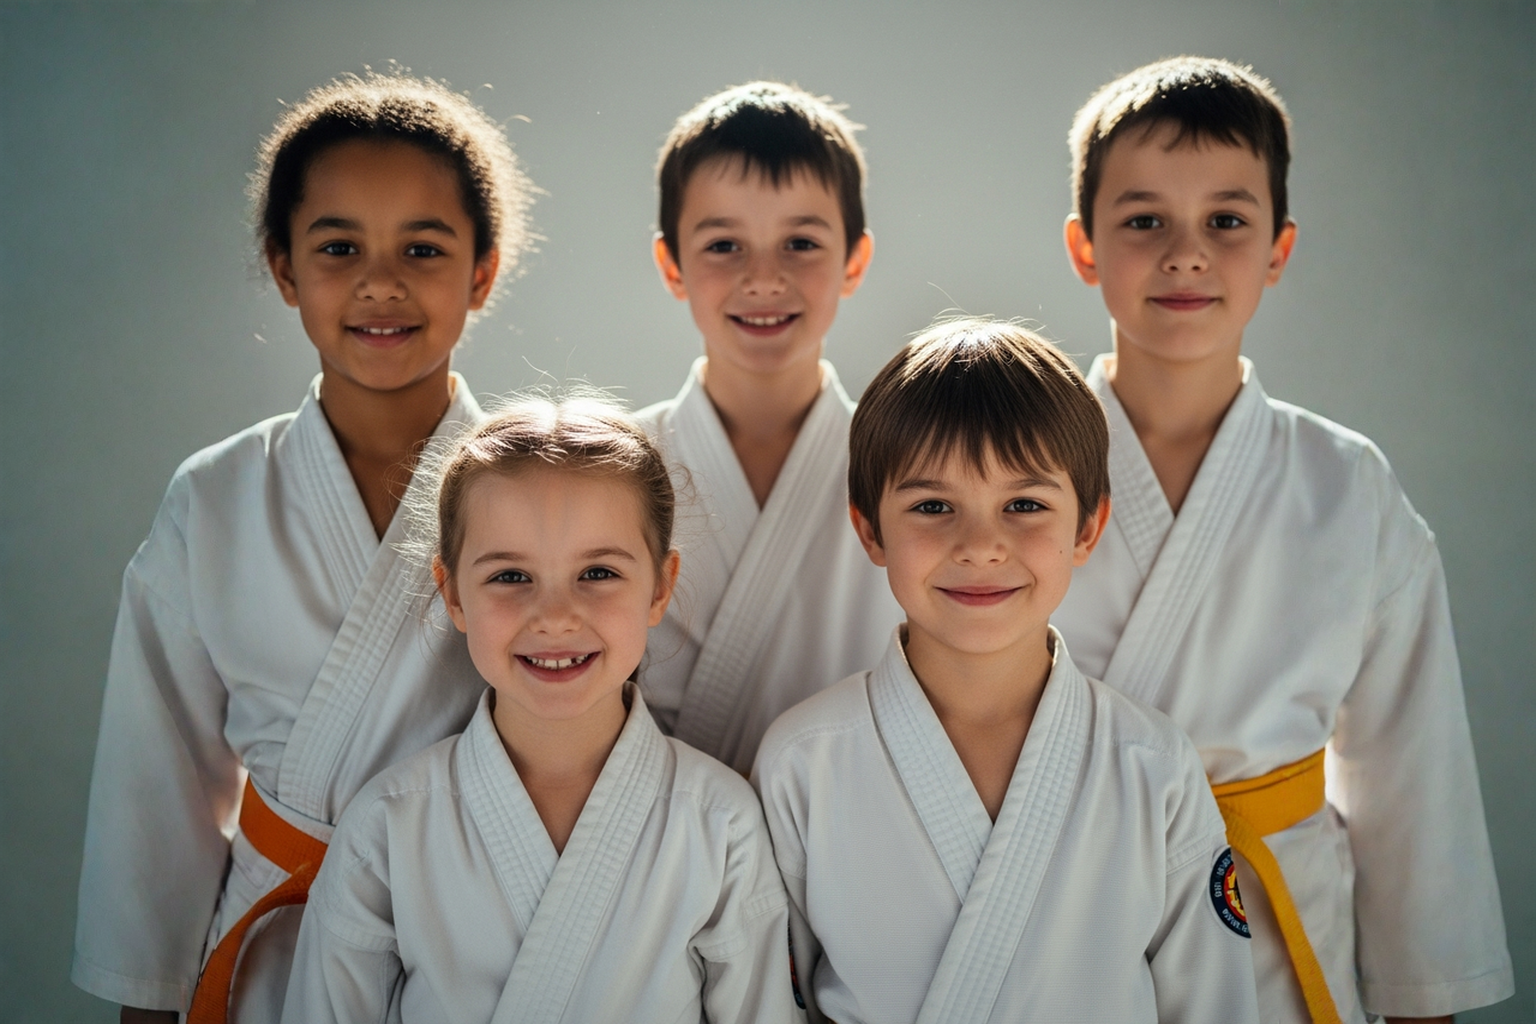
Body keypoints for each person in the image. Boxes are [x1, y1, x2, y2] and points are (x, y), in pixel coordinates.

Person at [1056, 56, 1512, 1023]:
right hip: (1061, 904)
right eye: (1144, 221)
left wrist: (1423, 1000)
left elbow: (1408, 771)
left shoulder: (1345, 485)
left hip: (1271, 927)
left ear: (1279, 248)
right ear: (1084, 246)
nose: (1186, 254)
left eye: (1227, 221)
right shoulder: (1017, 472)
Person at [71, 71, 534, 1024]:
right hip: (276, 947)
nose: (381, 282)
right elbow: (154, 776)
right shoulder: (215, 498)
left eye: (423, 247)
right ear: (283, 268)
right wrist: (150, 1000)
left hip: (485, 939)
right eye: (337, 246)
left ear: (482, 270)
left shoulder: (544, 489)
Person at [754, 318, 1261, 1023]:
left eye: (1024, 506)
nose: (982, 545)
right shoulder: (802, 762)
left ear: (1087, 527)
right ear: (870, 528)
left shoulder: (1153, 765)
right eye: (933, 506)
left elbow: (1214, 1005)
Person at [279, 398, 798, 1023]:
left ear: (660, 587)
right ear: (452, 593)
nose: (554, 616)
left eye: (598, 572)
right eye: (510, 577)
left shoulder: (720, 825)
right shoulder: (387, 829)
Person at [639, 80, 903, 774]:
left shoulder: (907, 470)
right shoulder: (614, 467)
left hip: (849, 835)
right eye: (725, 244)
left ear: (854, 260)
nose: (763, 278)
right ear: (672, 265)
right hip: (663, 851)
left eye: (800, 243)